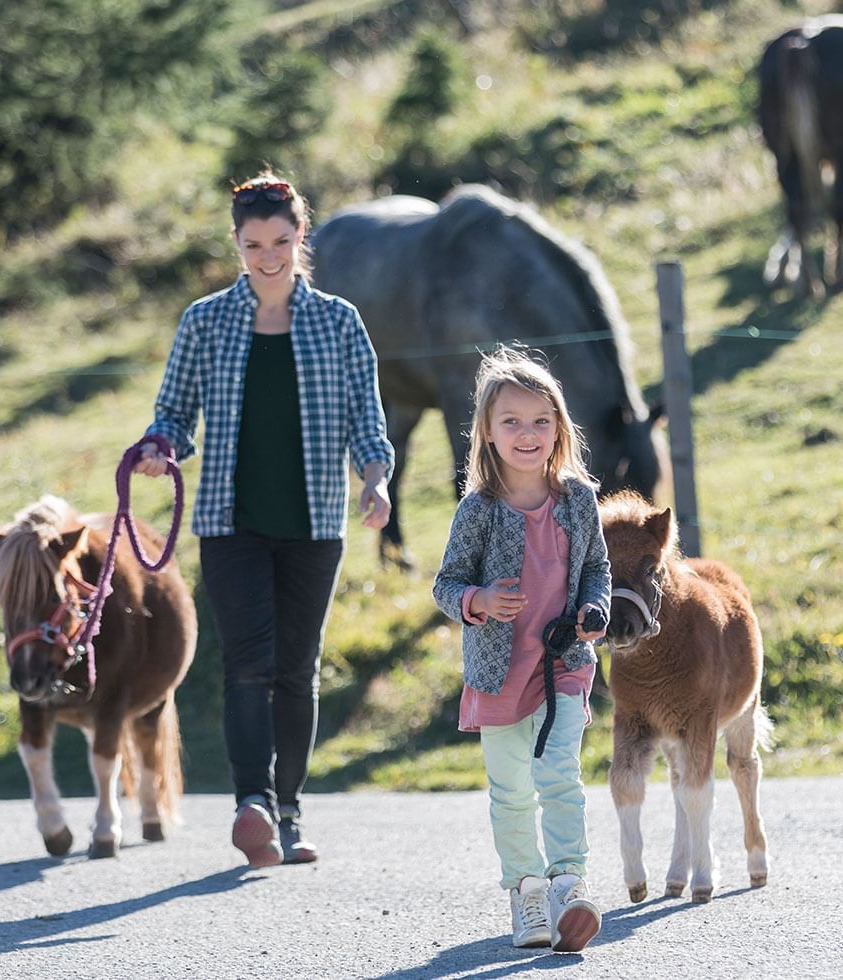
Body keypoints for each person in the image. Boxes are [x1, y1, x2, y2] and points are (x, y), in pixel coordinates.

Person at [135, 172, 394, 868]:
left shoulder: (338, 322)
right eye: (254, 244)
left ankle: (289, 809)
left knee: (296, 669)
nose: (269, 256)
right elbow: (173, 412)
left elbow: (368, 422)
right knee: (248, 665)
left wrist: (376, 481)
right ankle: (252, 803)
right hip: (230, 521)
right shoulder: (205, 320)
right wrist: (161, 448)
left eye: (281, 240)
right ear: (237, 243)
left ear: (300, 236)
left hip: (314, 524)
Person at [432, 346, 610, 953]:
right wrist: (478, 600)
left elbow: (597, 569)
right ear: (486, 430)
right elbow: (446, 584)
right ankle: (527, 892)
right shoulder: (478, 510)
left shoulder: (579, 499)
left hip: (564, 664)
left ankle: (569, 884)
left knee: (560, 775)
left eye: (540, 420)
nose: (527, 434)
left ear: (560, 425)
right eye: (511, 421)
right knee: (511, 790)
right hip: (498, 670)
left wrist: (595, 610)